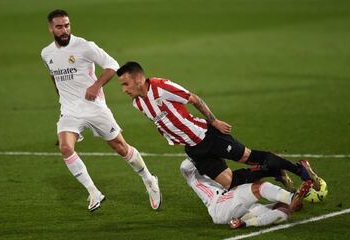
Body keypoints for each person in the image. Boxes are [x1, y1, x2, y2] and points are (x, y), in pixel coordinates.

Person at [116, 61, 321, 192]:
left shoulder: (161, 87)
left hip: (207, 135)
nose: (124, 89)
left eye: (125, 84)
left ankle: (299, 169)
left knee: (248, 157)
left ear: (139, 79)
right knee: (228, 182)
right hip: (194, 149)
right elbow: (161, 121)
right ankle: (273, 172)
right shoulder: (138, 103)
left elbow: (193, 99)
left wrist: (213, 121)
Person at [40, 10, 161, 212]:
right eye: (59, 27)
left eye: (67, 25)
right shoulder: (46, 53)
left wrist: (96, 86)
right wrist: (61, 96)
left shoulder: (85, 46)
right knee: (65, 148)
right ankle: (93, 191)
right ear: (51, 28)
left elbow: (112, 65)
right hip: (69, 110)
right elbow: (53, 75)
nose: (64, 30)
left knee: (120, 147)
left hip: (94, 107)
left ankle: (149, 179)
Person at [180, 158, 312, 228]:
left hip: (230, 206)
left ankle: (245, 223)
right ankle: (292, 197)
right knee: (259, 187)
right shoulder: (190, 172)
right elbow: (187, 164)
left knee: (283, 208)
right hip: (219, 204)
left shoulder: (217, 168)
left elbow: (236, 179)